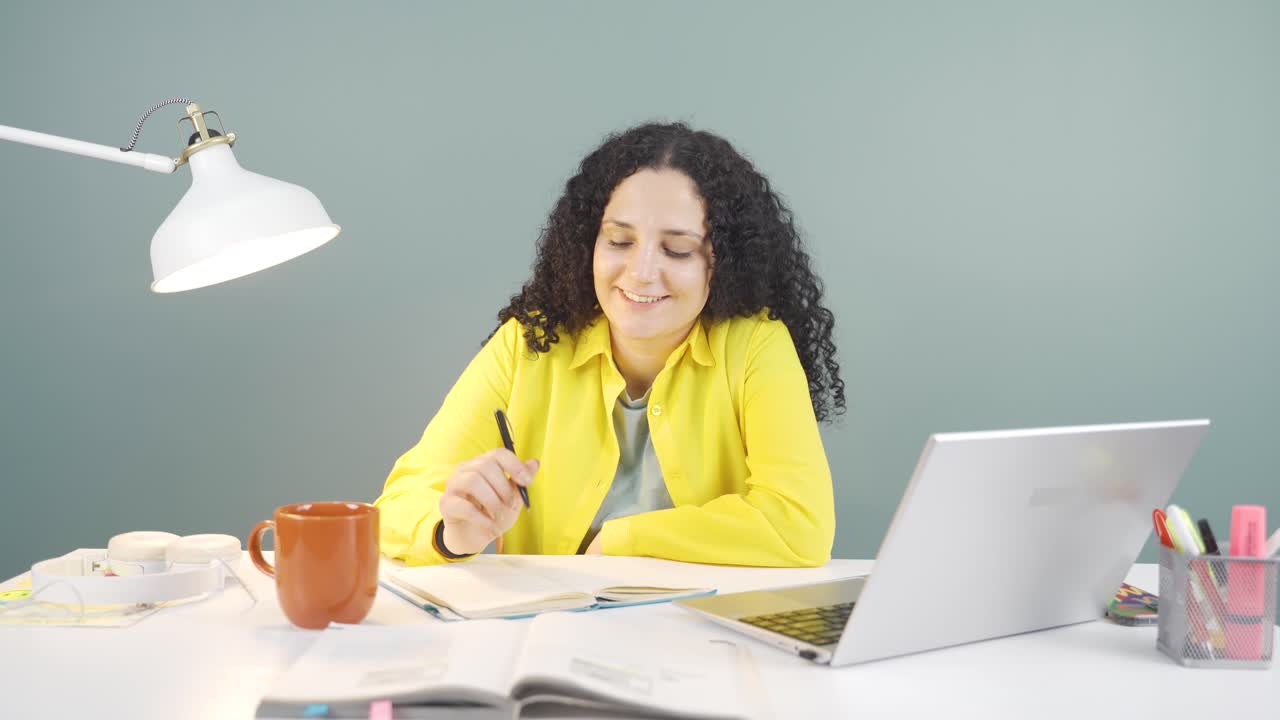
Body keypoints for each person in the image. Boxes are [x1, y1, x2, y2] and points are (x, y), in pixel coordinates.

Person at [375, 122, 845, 567]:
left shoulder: (756, 345)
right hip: (554, 621)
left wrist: (623, 540)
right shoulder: (529, 342)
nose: (641, 272)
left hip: (704, 623)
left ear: (723, 262)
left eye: (677, 249)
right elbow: (396, 505)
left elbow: (800, 524)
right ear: (588, 244)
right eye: (619, 241)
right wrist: (453, 532)